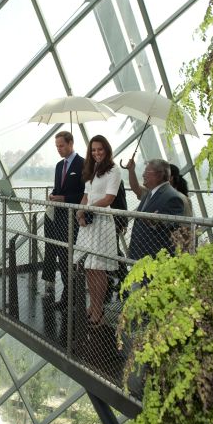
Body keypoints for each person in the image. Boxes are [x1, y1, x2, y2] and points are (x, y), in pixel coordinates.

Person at [73, 135, 122, 325]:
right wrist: (80, 211)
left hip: (101, 223)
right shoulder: (93, 169)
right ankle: (93, 305)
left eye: (100, 149)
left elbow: (109, 198)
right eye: (93, 150)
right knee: (89, 267)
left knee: (99, 268)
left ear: (107, 150)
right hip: (89, 223)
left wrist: (87, 209)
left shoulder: (114, 171)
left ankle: (99, 310)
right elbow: (86, 196)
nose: (96, 153)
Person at [42, 131, 85, 309]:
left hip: (74, 219)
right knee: (62, 257)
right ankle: (68, 297)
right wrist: (53, 195)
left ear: (71, 143)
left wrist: (64, 199)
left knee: (71, 258)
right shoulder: (59, 166)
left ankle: (73, 297)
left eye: (61, 145)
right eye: (57, 146)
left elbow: (84, 194)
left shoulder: (83, 164)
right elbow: (58, 188)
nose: (59, 149)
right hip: (59, 218)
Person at [126, 159, 185, 260]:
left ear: (160, 174)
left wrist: (155, 221)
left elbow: (172, 226)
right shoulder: (151, 192)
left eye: (147, 172)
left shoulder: (172, 197)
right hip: (142, 254)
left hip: (154, 257)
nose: (143, 175)